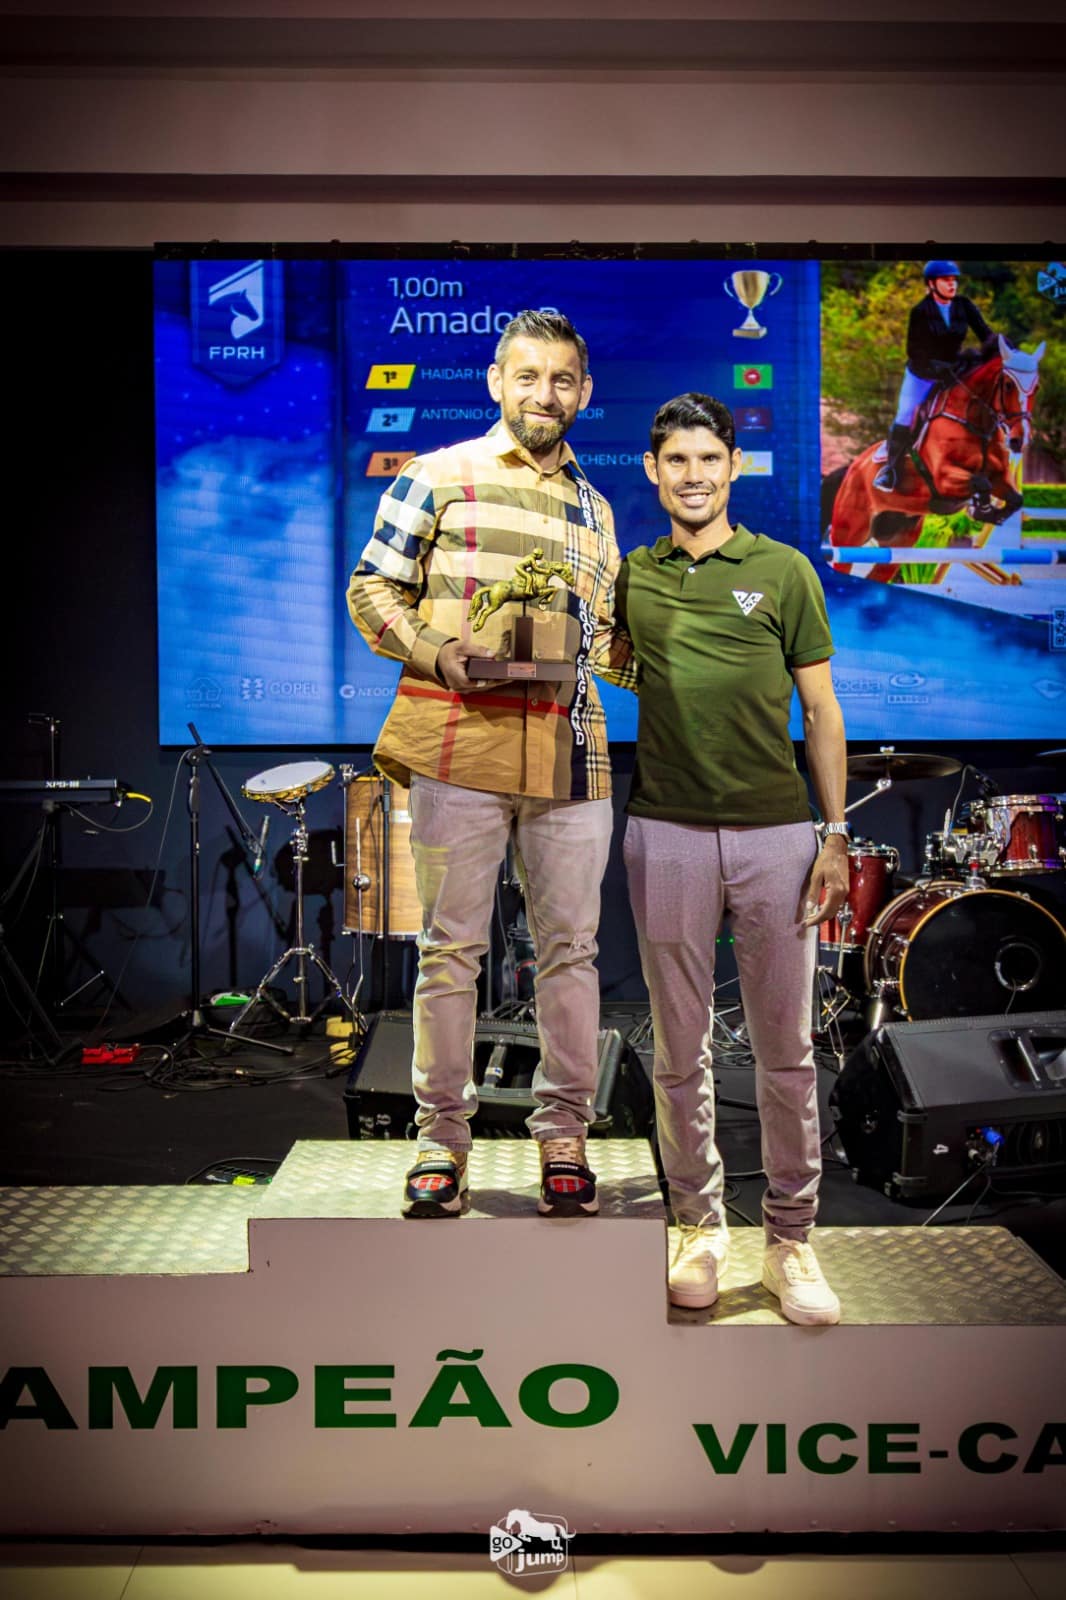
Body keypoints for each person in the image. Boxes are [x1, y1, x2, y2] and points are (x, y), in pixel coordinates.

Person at [347, 310, 620, 1220]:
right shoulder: (439, 474)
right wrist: (435, 652)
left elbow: (611, 642)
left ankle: (565, 1135)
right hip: (457, 744)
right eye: (530, 376)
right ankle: (441, 1140)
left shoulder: (598, 508)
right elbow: (370, 587)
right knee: (451, 951)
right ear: (496, 382)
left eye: (565, 380)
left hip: (571, 755)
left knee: (572, 953)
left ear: (583, 392)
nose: (547, 394)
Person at [607, 392, 850, 1325]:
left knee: (786, 1053)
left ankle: (791, 1241)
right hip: (664, 830)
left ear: (734, 468)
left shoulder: (783, 571)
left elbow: (823, 713)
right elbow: (600, 662)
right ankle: (698, 1226)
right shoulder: (633, 575)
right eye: (678, 461)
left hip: (779, 835)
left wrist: (832, 834)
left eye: (711, 459)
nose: (695, 475)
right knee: (678, 1051)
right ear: (654, 471)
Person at [873, 260, 993, 492]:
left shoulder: (964, 305)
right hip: (923, 373)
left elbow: (985, 334)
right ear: (931, 283)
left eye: (954, 280)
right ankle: (891, 470)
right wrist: (935, 366)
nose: (952, 285)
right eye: (946, 280)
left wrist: (1003, 349)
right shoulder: (920, 311)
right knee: (906, 414)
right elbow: (913, 350)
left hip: (954, 369)